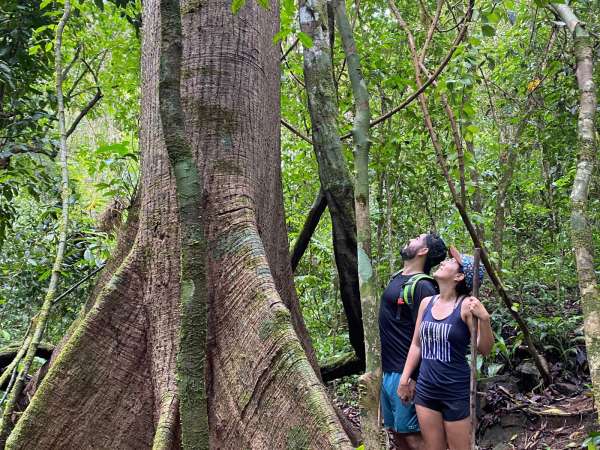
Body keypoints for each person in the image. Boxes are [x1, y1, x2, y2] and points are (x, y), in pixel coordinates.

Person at [397, 246, 494, 450]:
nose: (443, 262)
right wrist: (404, 379)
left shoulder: (467, 305)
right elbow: (416, 345)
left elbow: (484, 349)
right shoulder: (426, 303)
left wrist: (484, 319)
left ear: (459, 276)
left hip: (455, 390)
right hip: (426, 389)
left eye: (451, 262)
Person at [379, 232, 447, 450]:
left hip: (405, 374)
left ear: (423, 250)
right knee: (397, 433)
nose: (411, 239)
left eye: (418, 238)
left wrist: (411, 378)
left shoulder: (423, 287)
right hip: (389, 371)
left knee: (413, 437)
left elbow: (425, 338)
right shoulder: (398, 277)